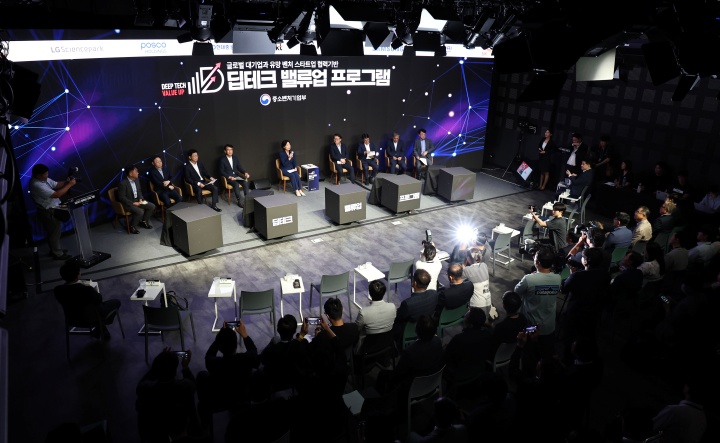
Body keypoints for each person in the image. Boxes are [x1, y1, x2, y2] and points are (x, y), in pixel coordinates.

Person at [136, 349, 201, 442]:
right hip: (179, 425)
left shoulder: (145, 389)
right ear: (175, 371)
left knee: (139, 403)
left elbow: (141, 385)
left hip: (155, 429)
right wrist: (185, 367)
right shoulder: (186, 386)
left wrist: (156, 366)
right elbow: (193, 385)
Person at [54, 261, 122, 339]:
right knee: (117, 302)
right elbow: (99, 299)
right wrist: (91, 289)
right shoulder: (86, 289)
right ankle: (99, 326)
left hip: (73, 319)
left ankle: (100, 328)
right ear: (77, 276)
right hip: (91, 319)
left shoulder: (58, 290)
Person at [514, 246, 561, 355]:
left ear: (538, 262)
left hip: (532, 327)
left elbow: (516, 291)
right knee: (545, 354)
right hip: (549, 327)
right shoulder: (558, 278)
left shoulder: (529, 279)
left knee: (529, 352)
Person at [29, 163, 76, 260]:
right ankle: (57, 253)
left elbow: (56, 184)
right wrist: (70, 185)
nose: (47, 175)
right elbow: (56, 194)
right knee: (54, 231)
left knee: (55, 231)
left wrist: (66, 182)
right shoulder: (36, 184)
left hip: (54, 207)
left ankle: (54, 250)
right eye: (45, 174)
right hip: (48, 210)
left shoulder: (43, 179)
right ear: (38, 175)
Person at [444, 307, 494, 383]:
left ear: (470, 324)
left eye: (467, 315)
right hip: (479, 368)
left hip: (459, 372)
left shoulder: (459, 339)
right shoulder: (488, 333)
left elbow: (447, 356)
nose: (465, 316)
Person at [394, 269, 439, 343]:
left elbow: (398, 318)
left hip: (408, 332)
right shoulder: (434, 294)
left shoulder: (408, 304)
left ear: (414, 283)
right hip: (427, 328)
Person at [355, 280, 396, 352]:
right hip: (387, 345)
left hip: (368, 349)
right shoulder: (392, 307)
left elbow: (356, 329)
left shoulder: (364, 313)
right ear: (384, 293)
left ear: (370, 293)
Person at [117, 165, 156, 234]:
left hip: (138, 201)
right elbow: (122, 197)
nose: (138, 173)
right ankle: (132, 226)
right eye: (136, 171)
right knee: (140, 212)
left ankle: (144, 221)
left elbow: (139, 191)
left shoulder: (137, 180)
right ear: (130, 173)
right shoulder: (123, 183)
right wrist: (133, 203)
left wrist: (140, 198)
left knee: (152, 206)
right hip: (129, 203)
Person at [462, 248, 493, 318]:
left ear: (469, 258)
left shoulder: (467, 270)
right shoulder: (484, 265)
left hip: (476, 305)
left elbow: (460, 277)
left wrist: (465, 260)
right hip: (488, 302)